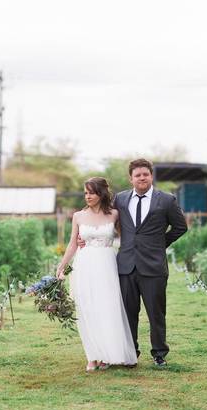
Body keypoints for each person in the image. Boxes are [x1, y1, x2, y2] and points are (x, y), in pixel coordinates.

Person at [56, 177, 137, 371]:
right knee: (87, 308)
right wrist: (61, 266)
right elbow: (73, 243)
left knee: (107, 307)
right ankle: (92, 355)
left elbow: (128, 237)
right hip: (84, 265)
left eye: (91, 192)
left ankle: (107, 355)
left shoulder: (115, 214)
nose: (87, 196)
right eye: (85, 193)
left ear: (101, 194)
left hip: (107, 264)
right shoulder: (78, 216)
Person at [112, 158, 187, 366]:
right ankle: (130, 352)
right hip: (126, 265)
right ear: (131, 179)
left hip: (153, 266)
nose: (142, 178)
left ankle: (159, 353)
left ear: (151, 176)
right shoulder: (120, 199)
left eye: (145, 174)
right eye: (137, 175)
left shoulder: (166, 200)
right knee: (128, 313)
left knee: (156, 312)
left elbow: (181, 227)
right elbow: (108, 219)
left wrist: (159, 244)